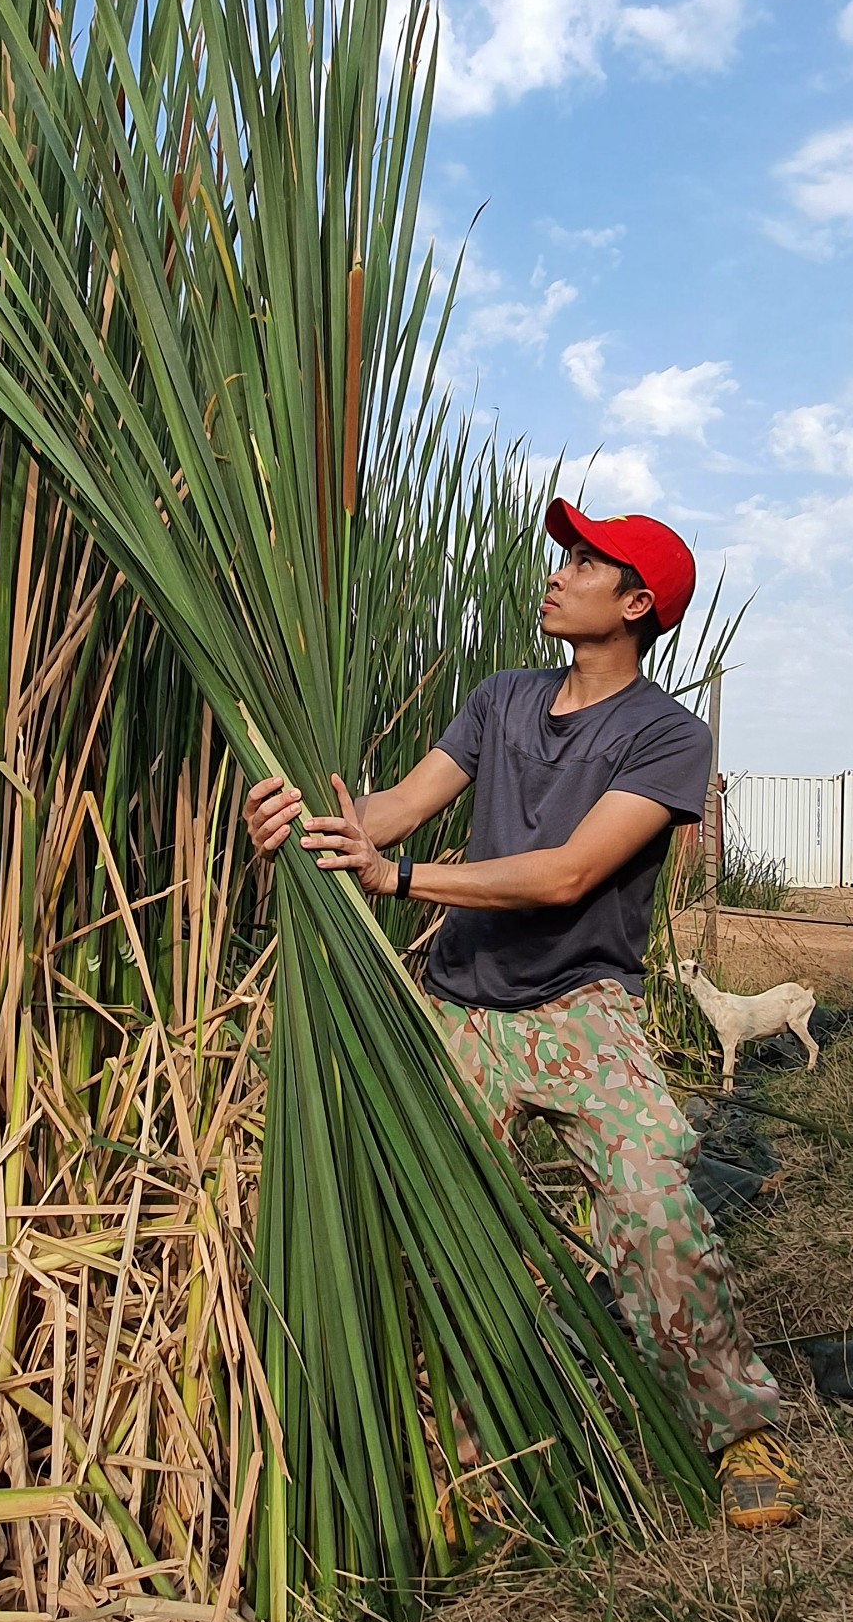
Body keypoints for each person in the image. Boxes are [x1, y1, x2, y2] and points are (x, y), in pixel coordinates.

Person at [242, 498, 801, 1532]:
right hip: (466, 1006)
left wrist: (399, 878)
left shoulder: (668, 736)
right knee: (439, 1231)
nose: (559, 571)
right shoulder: (500, 699)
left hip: (588, 1011)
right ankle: (464, 1454)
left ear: (637, 603)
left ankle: (737, 1429)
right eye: (565, 555)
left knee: (655, 1205)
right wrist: (303, 823)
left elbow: (569, 873)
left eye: (587, 562)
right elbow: (389, 812)